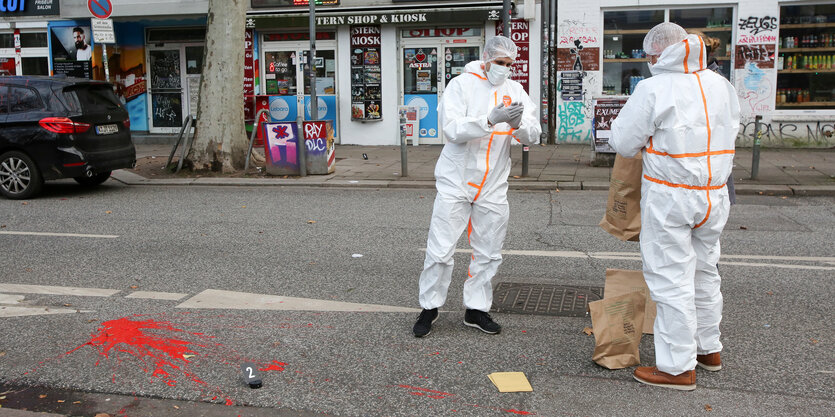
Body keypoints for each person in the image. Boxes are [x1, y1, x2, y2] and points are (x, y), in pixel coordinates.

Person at [609, 22, 740, 390]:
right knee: (705, 271)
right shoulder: (720, 84)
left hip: (671, 194)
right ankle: (707, 349)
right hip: (714, 193)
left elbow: (623, 141)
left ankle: (676, 367)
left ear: (658, 53)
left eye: (649, 56)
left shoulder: (654, 88)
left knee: (670, 279)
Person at [412, 35, 541, 338]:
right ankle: (429, 307)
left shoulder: (515, 90)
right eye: (500, 62)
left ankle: (476, 309)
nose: (504, 68)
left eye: (509, 64)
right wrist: (489, 120)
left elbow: (532, 135)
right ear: (486, 59)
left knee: (489, 252)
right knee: (441, 250)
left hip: (493, 185)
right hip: (455, 181)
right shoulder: (462, 85)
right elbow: (451, 129)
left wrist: (519, 125)